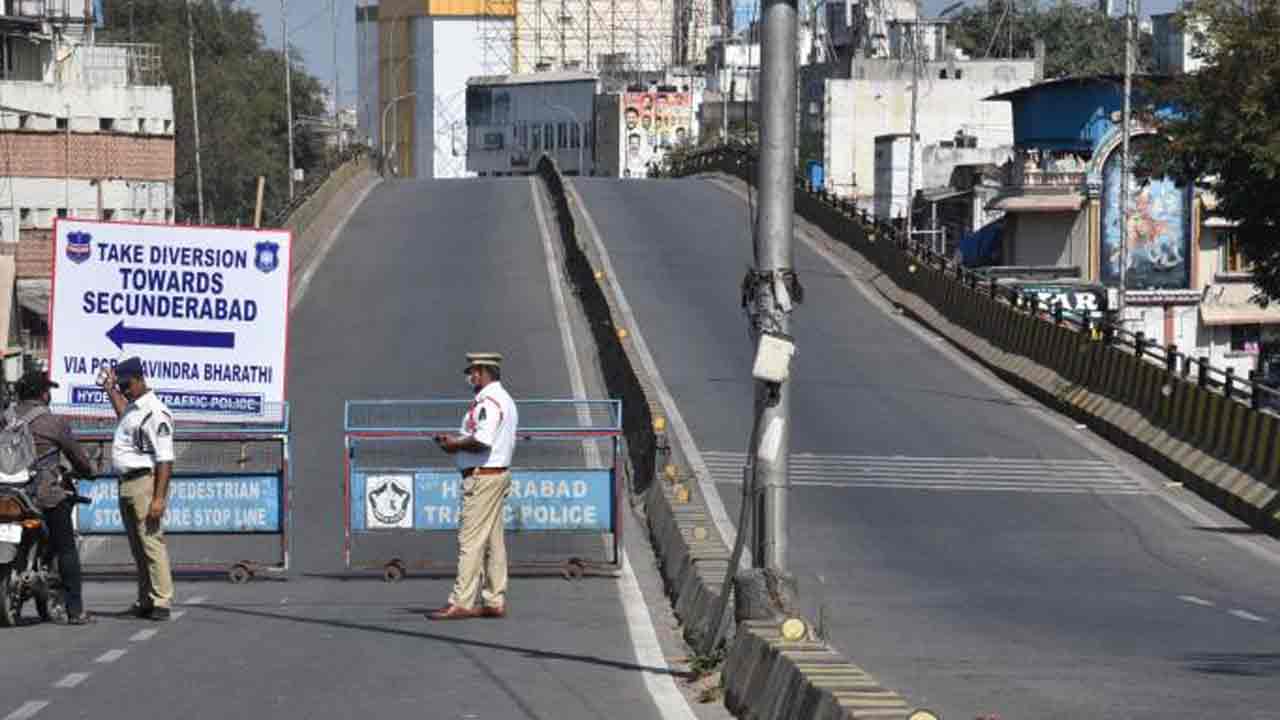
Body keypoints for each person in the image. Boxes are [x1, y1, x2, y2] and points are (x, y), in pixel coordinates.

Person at [429, 352, 518, 620]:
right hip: (497, 474)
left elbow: (483, 440)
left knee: (470, 539)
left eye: (472, 372)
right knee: (493, 540)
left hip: (482, 477)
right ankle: (494, 598)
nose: (470, 378)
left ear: (481, 372)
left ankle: (462, 600)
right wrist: (457, 443)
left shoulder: (488, 403)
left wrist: (454, 444)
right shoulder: (505, 400)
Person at [12, 371, 96, 625]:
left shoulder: (6, 418)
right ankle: (75, 610)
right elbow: (78, 457)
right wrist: (89, 471)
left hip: (9, 493)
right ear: (43, 394)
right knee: (66, 547)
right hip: (44, 493)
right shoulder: (53, 422)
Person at [99, 357, 175, 621]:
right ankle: (145, 599)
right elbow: (123, 413)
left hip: (144, 482)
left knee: (152, 543)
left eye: (127, 385)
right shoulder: (134, 408)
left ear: (140, 379)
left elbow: (165, 459)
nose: (125, 389)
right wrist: (110, 390)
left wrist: (159, 498)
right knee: (138, 546)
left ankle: (162, 601)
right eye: (122, 385)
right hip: (127, 483)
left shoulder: (156, 412)